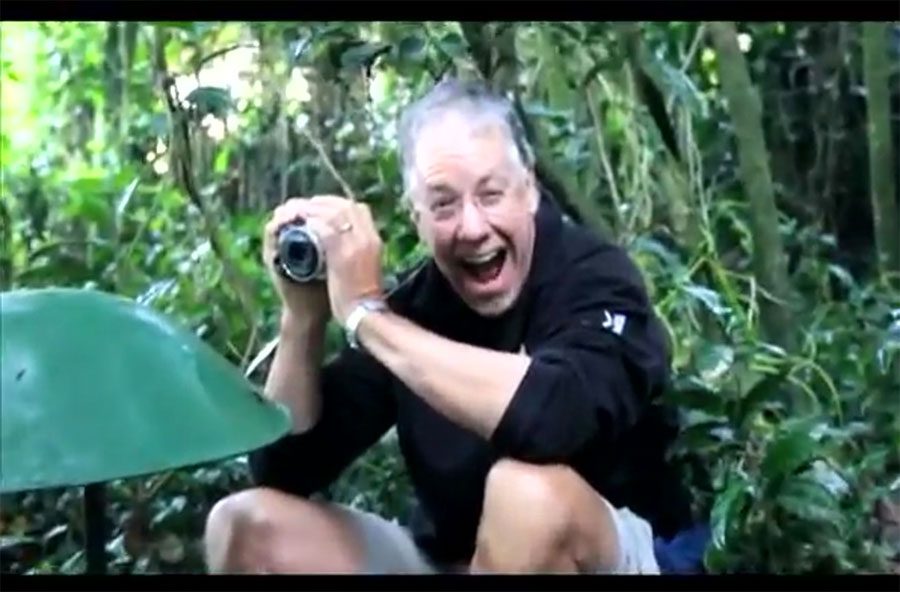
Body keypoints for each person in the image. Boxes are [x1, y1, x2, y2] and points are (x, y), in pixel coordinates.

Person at [203, 78, 708, 574]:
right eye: (444, 204)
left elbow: (555, 419)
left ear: (529, 189)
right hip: (453, 560)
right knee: (244, 525)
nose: (472, 228)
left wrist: (366, 317)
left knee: (526, 497)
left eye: (491, 195)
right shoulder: (416, 308)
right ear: (416, 217)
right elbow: (283, 469)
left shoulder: (594, 275)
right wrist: (303, 318)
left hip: (618, 553)